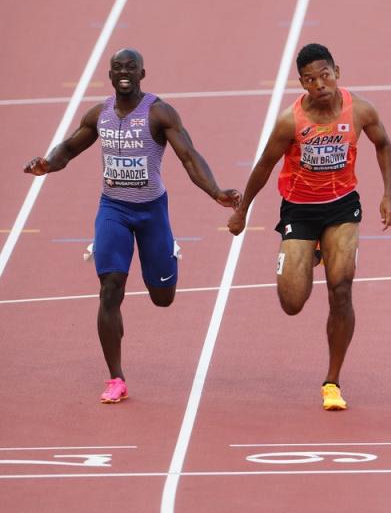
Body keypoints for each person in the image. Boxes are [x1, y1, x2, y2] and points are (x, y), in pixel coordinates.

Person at [24, 48, 241, 404]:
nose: (124, 72)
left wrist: (215, 191)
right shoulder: (100, 114)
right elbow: (70, 147)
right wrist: (47, 164)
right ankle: (116, 378)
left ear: (143, 74)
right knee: (110, 289)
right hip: (113, 211)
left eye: (131, 68)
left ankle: (168, 253)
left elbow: (189, 156)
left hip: (152, 212)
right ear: (110, 75)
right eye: (117, 68)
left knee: (162, 298)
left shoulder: (159, 112)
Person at [227, 43, 391, 411]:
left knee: (341, 288)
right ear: (301, 83)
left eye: (325, 75)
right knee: (292, 303)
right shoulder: (291, 121)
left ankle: (332, 381)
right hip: (299, 211)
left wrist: (388, 195)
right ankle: (309, 250)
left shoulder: (361, 110)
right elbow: (264, 165)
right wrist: (242, 212)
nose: (320, 84)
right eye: (310, 79)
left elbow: (383, 145)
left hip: (342, 207)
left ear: (337, 71)